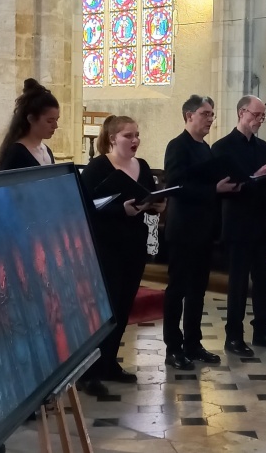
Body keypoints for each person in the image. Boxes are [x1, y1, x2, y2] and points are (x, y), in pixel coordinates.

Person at [78, 115, 166, 397]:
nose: (135, 140)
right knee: (105, 309)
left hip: (134, 244)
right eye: (128, 135)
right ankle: (89, 373)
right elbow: (85, 206)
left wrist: (156, 205)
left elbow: (148, 196)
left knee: (124, 306)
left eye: (137, 135)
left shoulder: (141, 166)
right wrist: (120, 210)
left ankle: (108, 363)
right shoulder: (97, 167)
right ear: (113, 138)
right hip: (106, 246)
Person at [212, 95, 266, 357]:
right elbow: (223, 188)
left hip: (260, 222)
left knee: (262, 281)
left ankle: (263, 332)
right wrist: (253, 179)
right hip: (236, 222)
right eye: (257, 115)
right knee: (238, 283)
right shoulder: (222, 147)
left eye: (263, 116)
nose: (260, 120)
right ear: (241, 113)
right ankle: (233, 337)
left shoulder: (264, 148)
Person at [163, 95, 238, 369]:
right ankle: (173, 347)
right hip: (183, 230)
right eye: (206, 113)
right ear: (189, 115)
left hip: (204, 229)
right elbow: (176, 186)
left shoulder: (206, 149)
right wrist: (213, 190)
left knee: (197, 291)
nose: (210, 119)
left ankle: (193, 344)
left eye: (212, 114)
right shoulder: (177, 146)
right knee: (177, 290)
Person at [0, 78, 59, 169]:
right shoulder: (16, 153)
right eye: (49, 121)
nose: (55, 126)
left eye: (56, 120)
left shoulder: (46, 150)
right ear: (31, 119)